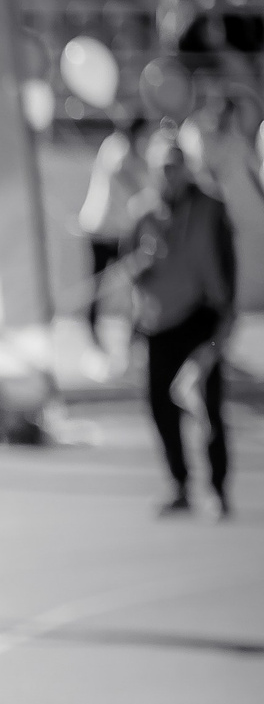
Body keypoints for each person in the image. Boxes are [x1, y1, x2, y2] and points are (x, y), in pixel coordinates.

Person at [124, 126, 238, 518]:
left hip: (202, 318)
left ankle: (218, 488)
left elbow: (226, 266)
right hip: (159, 321)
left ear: (187, 168)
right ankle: (180, 483)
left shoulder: (210, 206)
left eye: (176, 166)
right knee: (160, 406)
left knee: (207, 407)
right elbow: (130, 271)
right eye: (163, 167)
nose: (169, 173)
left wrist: (225, 317)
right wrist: (142, 265)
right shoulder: (143, 212)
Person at [77, 116, 152, 356]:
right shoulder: (118, 147)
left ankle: (133, 333)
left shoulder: (129, 149)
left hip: (118, 229)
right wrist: (141, 195)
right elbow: (120, 173)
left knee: (131, 282)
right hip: (103, 228)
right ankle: (92, 331)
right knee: (99, 283)